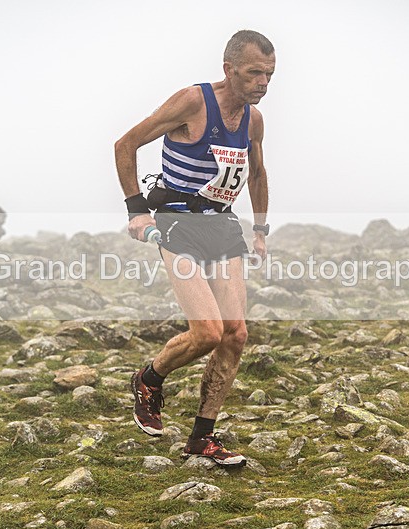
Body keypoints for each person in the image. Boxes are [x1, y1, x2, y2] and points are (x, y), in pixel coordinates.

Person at [114, 30, 275, 466]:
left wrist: (259, 229)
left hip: (222, 225)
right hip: (177, 222)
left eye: (270, 74)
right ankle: (149, 378)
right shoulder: (192, 102)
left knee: (236, 335)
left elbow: (257, 174)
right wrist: (136, 210)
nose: (263, 82)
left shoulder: (253, 121)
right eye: (254, 73)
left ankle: (202, 437)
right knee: (207, 332)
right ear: (229, 69)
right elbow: (125, 145)